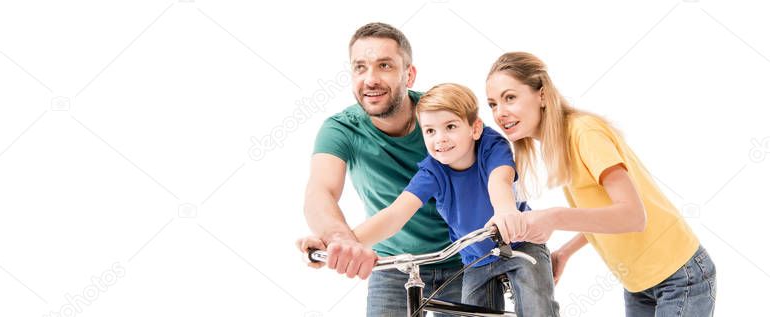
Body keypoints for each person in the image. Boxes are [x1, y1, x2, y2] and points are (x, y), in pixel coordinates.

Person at [484, 52, 717, 316]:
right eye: (492, 104)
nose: (500, 113)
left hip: (679, 275)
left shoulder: (585, 133)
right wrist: (565, 252)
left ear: (542, 95)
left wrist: (553, 217)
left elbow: (633, 216)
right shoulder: (559, 144)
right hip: (639, 284)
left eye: (510, 97)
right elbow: (606, 214)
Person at [294, 22, 463, 316]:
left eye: (384, 65)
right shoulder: (341, 129)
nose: (370, 79)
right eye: (360, 67)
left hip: (464, 259)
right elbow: (321, 190)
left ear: (408, 74)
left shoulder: (442, 116)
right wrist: (339, 240)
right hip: (393, 265)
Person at [349, 83, 560, 316]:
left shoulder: (491, 145)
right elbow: (395, 214)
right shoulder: (432, 171)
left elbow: (499, 181)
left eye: (450, 126)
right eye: (430, 131)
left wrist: (505, 212)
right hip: (476, 258)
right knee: (471, 313)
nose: (440, 139)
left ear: (475, 128)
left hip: (521, 242)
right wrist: (345, 242)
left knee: (537, 307)